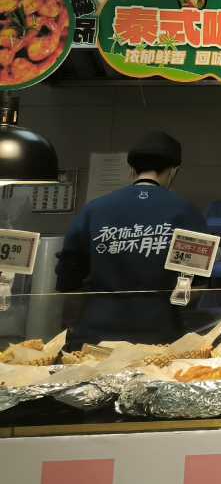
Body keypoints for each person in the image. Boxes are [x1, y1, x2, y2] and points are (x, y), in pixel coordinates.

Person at [56, 130, 207, 346]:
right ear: (173, 171)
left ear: (132, 170)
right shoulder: (186, 213)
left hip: (96, 335)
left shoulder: (94, 210)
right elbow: (196, 285)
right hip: (159, 335)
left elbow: (67, 279)